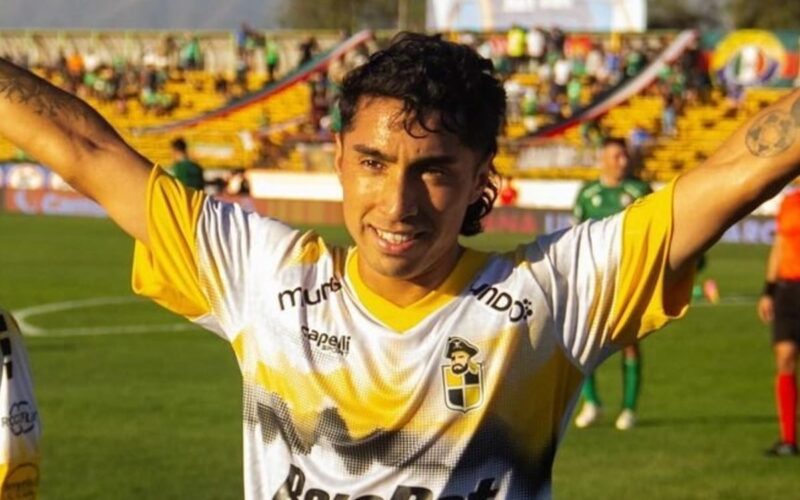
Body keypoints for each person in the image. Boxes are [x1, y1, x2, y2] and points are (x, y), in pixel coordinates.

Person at [2, 32, 800, 498]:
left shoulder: (551, 292)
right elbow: (84, 148)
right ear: (340, 160)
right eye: (376, 162)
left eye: (434, 169)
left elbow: (738, 171)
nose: (398, 202)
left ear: (483, 176)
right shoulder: (260, 273)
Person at [572, 137, 652, 431]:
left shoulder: (639, 191)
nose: (623, 161)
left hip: (628, 279)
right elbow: (575, 234)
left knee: (629, 344)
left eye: (625, 156)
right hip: (592, 280)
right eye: (617, 156)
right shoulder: (587, 193)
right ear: (603, 158)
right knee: (582, 343)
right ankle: (591, 402)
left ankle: (629, 409)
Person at [757, 188, 800, 457]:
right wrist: (768, 291)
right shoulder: (788, 202)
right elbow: (780, 245)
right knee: (784, 357)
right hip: (787, 290)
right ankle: (788, 440)